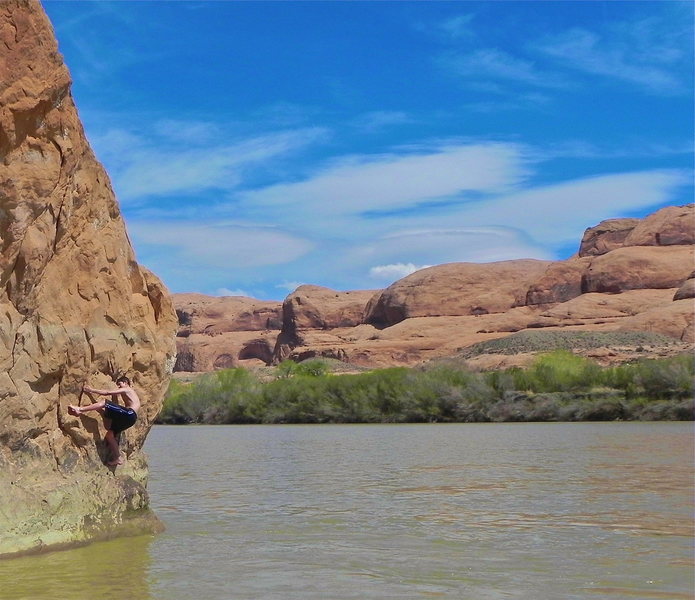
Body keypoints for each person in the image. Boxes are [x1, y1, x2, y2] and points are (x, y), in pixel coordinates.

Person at [68, 376, 141, 466]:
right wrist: (114, 396)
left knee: (104, 403)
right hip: (130, 419)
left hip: (130, 414)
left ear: (125, 383)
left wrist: (91, 390)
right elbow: (116, 405)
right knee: (110, 435)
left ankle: (80, 409)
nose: (118, 387)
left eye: (120, 384)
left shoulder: (127, 389)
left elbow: (107, 392)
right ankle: (118, 458)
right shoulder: (129, 396)